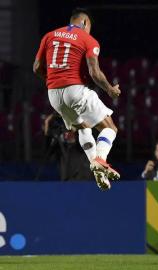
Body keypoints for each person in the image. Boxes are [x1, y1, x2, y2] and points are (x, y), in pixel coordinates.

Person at [33, 8, 121, 190]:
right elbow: (94, 73)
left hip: (54, 94)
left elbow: (36, 68)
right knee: (110, 128)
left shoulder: (49, 36)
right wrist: (110, 90)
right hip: (75, 89)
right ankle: (101, 159)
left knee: (82, 126)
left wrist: (54, 81)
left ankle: (96, 167)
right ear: (85, 23)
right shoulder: (88, 39)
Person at [42, 113, 92, 181]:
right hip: (66, 184)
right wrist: (47, 124)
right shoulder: (61, 145)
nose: (66, 131)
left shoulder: (82, 141)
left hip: (83, 183)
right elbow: (47, 153)